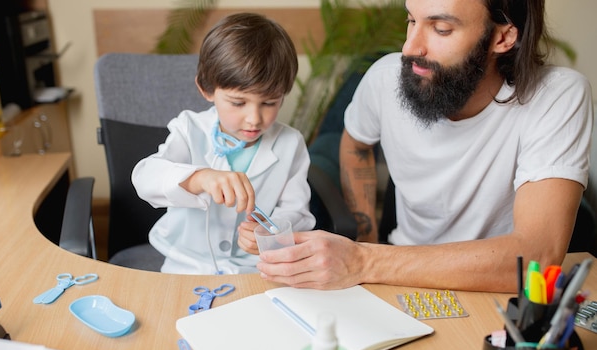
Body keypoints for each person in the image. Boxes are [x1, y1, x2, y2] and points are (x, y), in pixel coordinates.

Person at [256, 0, 593, 292]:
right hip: (397, 275)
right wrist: (367, 234)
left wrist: (363, 260)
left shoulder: (557, 97)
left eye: (441, 28)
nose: (410, 47)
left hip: (494, 287)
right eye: (411, 20)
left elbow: (536, 255)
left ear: (503, 36)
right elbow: (355, 146)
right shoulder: (385, 78)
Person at [132, 13, 315, 274]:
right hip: (187, 266)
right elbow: (145, 178)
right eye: (238, 103)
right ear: (207, 89)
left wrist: (270, 232)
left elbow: (298, 213)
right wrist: (199, 178)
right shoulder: (189, 129)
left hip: (256, 268)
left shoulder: (290, 144)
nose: (254, 119)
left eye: (269, 103)